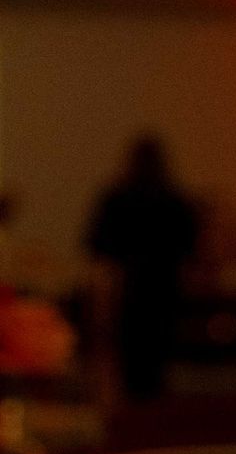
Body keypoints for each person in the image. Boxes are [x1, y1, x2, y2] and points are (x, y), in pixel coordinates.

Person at [85, 137, 201, 401]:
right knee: (155, 369)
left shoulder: (117, 199)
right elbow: (190, 251)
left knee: (124, 370)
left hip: (128, 294)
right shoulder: (174, 201)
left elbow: (98, 249)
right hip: (163, 294)